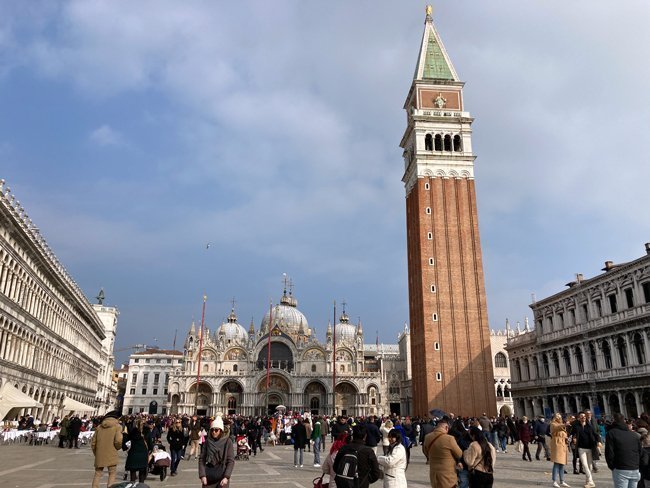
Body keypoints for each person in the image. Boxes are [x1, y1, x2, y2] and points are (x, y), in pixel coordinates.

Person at [333, 424, 380, 488]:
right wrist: (366, 480)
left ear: (353, 435)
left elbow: (335, 467)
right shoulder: (368, 451)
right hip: (361, 484)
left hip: (345, 484)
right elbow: (376, 473)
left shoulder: (344, 448)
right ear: (365, 436)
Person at [422, 417, 462, 488]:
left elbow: (425, 451)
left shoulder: (427, 437)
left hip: (434, 474)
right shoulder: (449, 438)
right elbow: (459, 454)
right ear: (446, 427)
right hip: (448, 476)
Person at [605, 412, 642, 488]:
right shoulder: (634, 435)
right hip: (635, 468)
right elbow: (640, 451)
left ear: (614, 420)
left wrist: (612, 466)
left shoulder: (611, 433)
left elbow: (609, 452)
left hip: (621, 468)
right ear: (624, 421)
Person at [199, 416, 235, 488]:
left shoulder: (228, 442)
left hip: (222, 475)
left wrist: (226, 477)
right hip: (209, 475)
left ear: (221, 431)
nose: (213, 432)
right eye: (212, 430)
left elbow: (230, 461)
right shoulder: (207, 442)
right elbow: (202, 459)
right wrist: (202, 475)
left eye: (216, 430)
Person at [91, 410, 123, 488]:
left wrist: (96, 452)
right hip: (111, 452)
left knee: (98, 473)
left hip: (100, 453)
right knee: (112, 473)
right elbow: (118, 440)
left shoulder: (99, 427)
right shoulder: (117, 426)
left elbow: (93, 442)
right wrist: (117, 447)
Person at [571, 411, 598, 487]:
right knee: (584, 464)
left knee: (590, 466)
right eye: (581, 416)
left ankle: (587, 481)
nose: (583, 417)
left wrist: (598, 442)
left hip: (589, 448)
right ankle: (591, 481)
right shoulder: (576, 426)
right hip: (581, 448)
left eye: (584, 416)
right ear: (579, 418)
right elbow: (572, 434)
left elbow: (595, 434)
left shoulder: (590, 426)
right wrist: (573, 438)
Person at [549, 413, 570, 488]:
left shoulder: (560, 424)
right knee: (557, 463)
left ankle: (562, 481)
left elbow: (563, 432)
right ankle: (554, 481)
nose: (559, 418)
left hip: (563, 445)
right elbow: (556, 428)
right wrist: (564, 425)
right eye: (557, 416)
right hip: (557, 444)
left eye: (560, 416)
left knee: (562, 464)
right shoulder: (553, 424)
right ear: (554, 417)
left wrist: (566, 437)